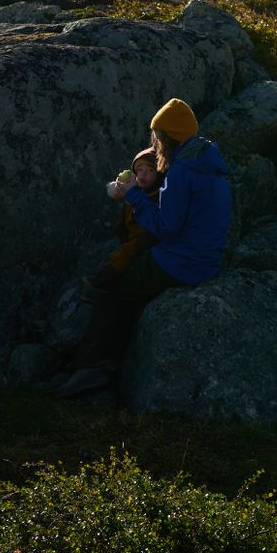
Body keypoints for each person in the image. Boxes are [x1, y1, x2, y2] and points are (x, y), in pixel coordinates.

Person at [55, 97, 231, 396]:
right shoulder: (209, 162)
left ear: (167, 138)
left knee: (116, 287)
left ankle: (91, 369)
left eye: (157, 137)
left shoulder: (181, 171)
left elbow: (166, 228)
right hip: (208, 260)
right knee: (134, 282)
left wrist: (133, 195)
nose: (155, 143)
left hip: (182, 262)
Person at [79, 146, 161, 301]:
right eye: (139, 169)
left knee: (124, 256)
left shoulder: (159, 194)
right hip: (128, 232)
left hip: (142, 237)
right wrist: (118, 187)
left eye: (150, 170)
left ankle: (104, 280)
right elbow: (114, 192)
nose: (143, 174)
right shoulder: (135, 186)